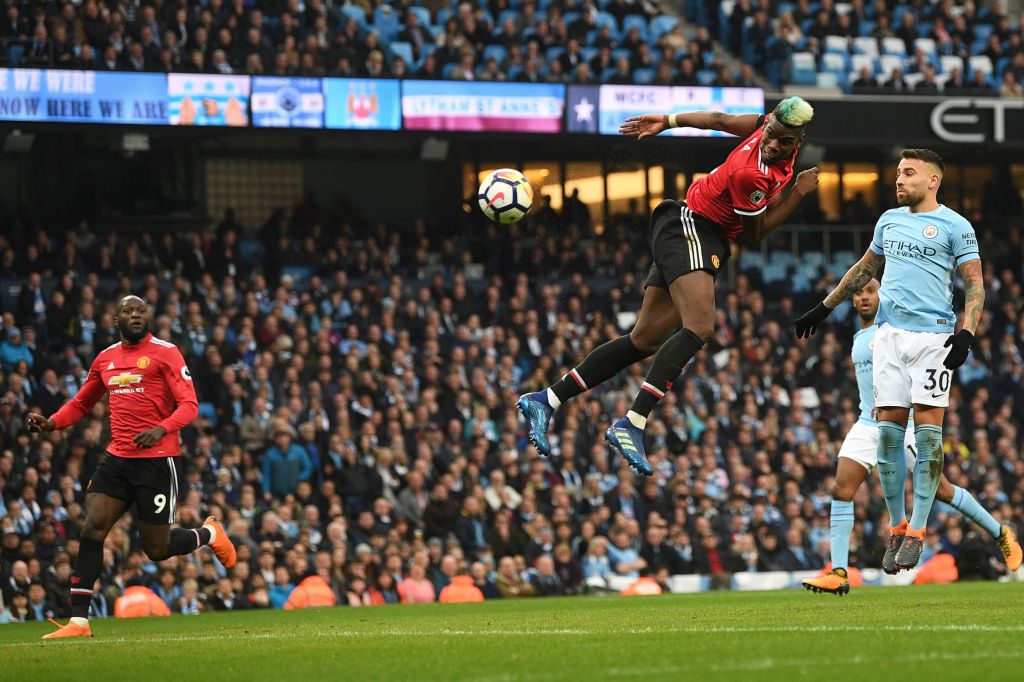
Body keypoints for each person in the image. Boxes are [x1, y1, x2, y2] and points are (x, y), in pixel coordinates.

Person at [518, 97, 820, 475]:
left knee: (643, 340)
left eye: (783, 142)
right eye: (771, 135)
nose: (772, 144)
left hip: (694, 233)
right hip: (693, 228)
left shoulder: (767, 131)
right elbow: (754, 234)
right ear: (770, 122)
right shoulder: (752, 173)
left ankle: (546, 399)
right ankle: (633, 422)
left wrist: (669, 119)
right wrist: (798, 192)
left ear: (799, 140)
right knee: (700, 326)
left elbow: (719, 119)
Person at [794, 149, 996, 573]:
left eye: (908, 173)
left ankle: (918, 532)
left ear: (933, 180)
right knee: (888, 437)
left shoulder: (956, 226)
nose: (899, 180)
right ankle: (898, 526)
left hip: (932, 340)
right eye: (898, 173)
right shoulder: (888, 220)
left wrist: (966, 333)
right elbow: (864, 269)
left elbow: (975, 285)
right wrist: (823, 307)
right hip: (888, 337)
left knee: (927, 441)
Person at [25, 296, 237, 639]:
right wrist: (51, 423)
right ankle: (79, 621)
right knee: (92, 528)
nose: (135, 315)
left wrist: (162, 428)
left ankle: (209, 534)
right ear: (116, 318)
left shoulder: (166, 352)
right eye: (128, 310)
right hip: (118, 459)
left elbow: (190, 405)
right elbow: (82, 403)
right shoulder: (105, 358)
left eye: (141, 310)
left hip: (157, 460)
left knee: (156, 549)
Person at [802, 280, 1022, 595]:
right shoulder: (859, 335)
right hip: (867, 421)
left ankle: (1002, 534)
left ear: (882, 296)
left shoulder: (891, 329)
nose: (864, 298)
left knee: (943, 490)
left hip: (902, 423)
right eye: (859, 293)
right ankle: (838, 571)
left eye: (870, 292)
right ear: (851, 301)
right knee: (841, 488)